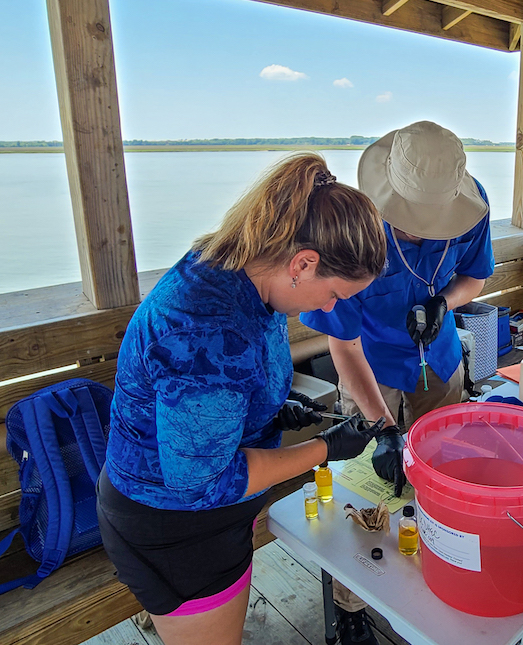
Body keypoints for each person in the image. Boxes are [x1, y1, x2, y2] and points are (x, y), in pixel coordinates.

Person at [97, 153, 388, 645]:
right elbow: (201, 483)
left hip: (215, 514)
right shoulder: (208, 328)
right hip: (177, 526)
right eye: (336, 292)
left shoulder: (245, 272)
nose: (334, 307)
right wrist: (326, 449)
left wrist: (279, 409)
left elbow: (225, 390)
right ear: (303, 263)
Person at [299, 120, 494, 645]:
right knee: (363, 486)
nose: (424, 234)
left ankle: (437, 560)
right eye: (412, 224)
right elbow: (342, 342)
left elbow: (474, 276)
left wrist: (443, 304)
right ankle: (350, 602)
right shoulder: (351, 232)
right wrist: (382, 427)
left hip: (441, 356)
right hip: (370, 368)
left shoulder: (474, 210)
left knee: (445, 470)